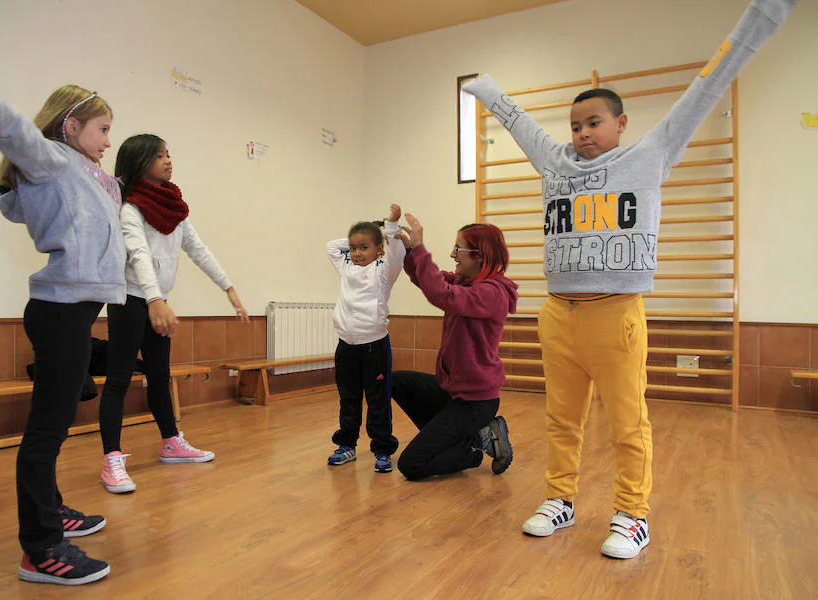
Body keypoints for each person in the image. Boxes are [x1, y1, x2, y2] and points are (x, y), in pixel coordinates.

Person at [462, 0, 796, 559]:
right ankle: (560, 498)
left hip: (616, 312)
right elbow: (518, 123)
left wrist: (761, 17)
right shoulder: (556, 163)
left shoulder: (650, 154)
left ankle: (632, 515)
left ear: (621, 123)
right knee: (561, 419)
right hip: (558, 313)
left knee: (626, 422)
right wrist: (488, 91)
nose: (583, 133)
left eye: (594, 122)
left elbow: (707, 87)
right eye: (575, 125)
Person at [0, 32, 123, 584]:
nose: (108, 140)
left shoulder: (89, 177)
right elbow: (7, 119)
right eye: (103, 129)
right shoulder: (53, 161)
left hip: (78, 311)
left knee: (58, 417)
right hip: (60, 312)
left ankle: (51, 509)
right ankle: (39, 548)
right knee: (46, 431)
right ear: (71, 127)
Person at [98, 134, 250, 493]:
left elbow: (198, 249)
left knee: (159, 374)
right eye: (159, 155)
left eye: (168, 154)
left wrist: (227, 286)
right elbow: (137, 256)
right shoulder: (130, 208)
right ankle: (111, 459)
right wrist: (154, 300)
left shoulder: (174, 210)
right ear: (140, 163)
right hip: (131, 300)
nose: (168, 160)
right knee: (118, 379)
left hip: (157, 302)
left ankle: (171, 441)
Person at [392, 215, 518, 480]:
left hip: (475, 402)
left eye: (458, 249)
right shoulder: (465, 281)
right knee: (396, 382)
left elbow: (440, 294)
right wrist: (409, 250)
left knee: (411, 465)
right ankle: (470, 437)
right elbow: (427, 278)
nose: (452, 254)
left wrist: (421, 247)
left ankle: (473, 450)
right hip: (453, 391)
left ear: (480, 255)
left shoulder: (493, 293)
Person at [326, 205, 405, 473]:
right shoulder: (346, 266)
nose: (357, 253)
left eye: (364, 248)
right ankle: (346, 445)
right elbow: (331, 247)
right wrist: (367, 232)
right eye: (354, 247)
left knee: (377, 401)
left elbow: (397, 254)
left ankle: (382, 449)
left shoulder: (384, 271)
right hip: (346, 346)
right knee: (348, 398)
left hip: (374, 348)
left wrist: (388, 229)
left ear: (379, 249)